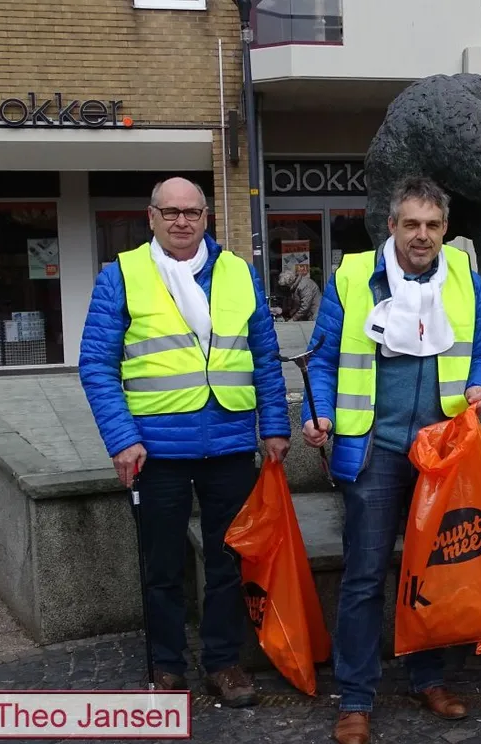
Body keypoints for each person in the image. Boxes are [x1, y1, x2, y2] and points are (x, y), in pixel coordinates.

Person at [78, 177, 291, 706]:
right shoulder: (121, 275)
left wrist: (275, 427)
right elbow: (97, 366)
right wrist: (123, 438)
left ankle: (223, 662)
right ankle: (166, 667)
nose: (181, 221)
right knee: (162, 565)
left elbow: (264, 357)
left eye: (191, 212)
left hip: (229, 445)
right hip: (156, 450)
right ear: (150, 217)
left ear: (206, 217)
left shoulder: (239, 273)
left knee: (227, 562)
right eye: (169, 212)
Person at [300, 176, 481, 744]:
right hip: (375, 451)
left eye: (433, 225)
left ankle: (428, 677)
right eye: (411, 224)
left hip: (441, 453)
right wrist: (321, 415)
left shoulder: (466, 278)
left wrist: (480, 385)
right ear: (391, 226)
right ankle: (356, 697)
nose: (422, 235)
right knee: (364, 576)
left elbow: (480, 351)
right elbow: (322, 358)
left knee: (433, 572)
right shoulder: (352, 276)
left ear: (445, 230)